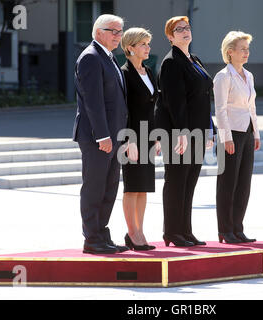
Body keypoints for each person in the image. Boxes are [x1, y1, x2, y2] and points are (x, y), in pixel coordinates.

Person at [154, 16, 215, 247]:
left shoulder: (194, 59)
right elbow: (174, 101)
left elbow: (202, 98)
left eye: (187, 27)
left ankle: (185, 231)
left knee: (189, 183)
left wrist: (210, 130)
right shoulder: (171, 62)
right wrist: (181, 133)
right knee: (176, 181)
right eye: (178, 30)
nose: (185, 32)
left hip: (197, 132)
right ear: (170, 37)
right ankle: (172, 231)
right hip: (178, 134)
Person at [73, 14, 129, 254]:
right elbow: (92, 102)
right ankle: (92, 238)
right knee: (94, 187)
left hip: (113, 136)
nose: (118, 35)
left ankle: (102, 233)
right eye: (113, 31)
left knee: (109, 188)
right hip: (98, 137)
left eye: (120, 31)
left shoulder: (109, 57)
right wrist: (102, 136)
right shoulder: (90, 58)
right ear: (98, 32)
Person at [213, 31, 260, 244]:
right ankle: (225, 230)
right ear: (229, 52)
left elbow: (252, 107)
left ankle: (237, 228)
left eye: (247, 49)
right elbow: (220, 109)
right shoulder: (223, 76)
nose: (246, 53)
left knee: (243, 183)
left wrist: (256, 133)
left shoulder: (248, 75)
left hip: (247, 132)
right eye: (242, 49)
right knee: (227, 183)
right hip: (230, 134)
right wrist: (226, 138)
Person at [120, 27, 159, 251]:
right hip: (131, 137)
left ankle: (140, 231)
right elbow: (124, 109)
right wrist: (128, 139)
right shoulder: (124, 74)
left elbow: (153, 107)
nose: (147, 48)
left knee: (144, 187)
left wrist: (156, 137)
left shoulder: (149, 71)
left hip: (148, 136)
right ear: (130, 48)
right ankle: (132, 232)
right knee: (132, 186)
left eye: (148, 43)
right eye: (143, 44)